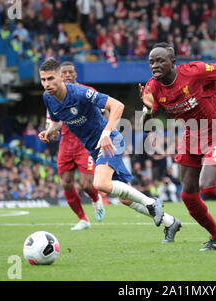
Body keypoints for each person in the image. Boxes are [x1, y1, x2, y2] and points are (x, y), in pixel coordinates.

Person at [38, 58, 182, 243]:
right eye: (43, 80)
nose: (47, 84)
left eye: (51, 78)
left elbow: (117, 106)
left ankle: (152, 203)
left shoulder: (80, 92)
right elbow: (60, 120)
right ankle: (170, 222)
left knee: (101, 184)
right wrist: (50, 130)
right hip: (95, 148)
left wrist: (106, 133)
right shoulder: (47, 98)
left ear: (61, 77)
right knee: (125, 198)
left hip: (110, 141)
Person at [139, 43, 216, 251]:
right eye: (151, 61)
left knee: (209, 186)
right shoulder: (152, 87)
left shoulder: (194, 72)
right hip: (190, 136)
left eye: (160, 61)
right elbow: (145, 127)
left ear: (173, 62)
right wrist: (148, 111)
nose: (155, 65)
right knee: (188, 195)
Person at [45, 61, 104, 231]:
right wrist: (50, 131)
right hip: (66, 144)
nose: (68, 75)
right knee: (66, 183)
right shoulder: (51, 97)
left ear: (76, 74)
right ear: (59, 76)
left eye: (71, 72)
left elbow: (103, 111)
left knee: (86, 184)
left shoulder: (86, 91)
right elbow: (52, 121)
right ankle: (83, 219)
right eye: (64, 72)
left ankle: (95, 198)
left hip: (85, 143)